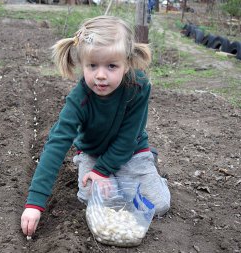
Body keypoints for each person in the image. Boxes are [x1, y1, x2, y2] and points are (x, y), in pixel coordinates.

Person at [21, 15, 170, 237]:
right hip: (94, 152)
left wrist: (102, 171)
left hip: (131, 150)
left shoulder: (138, 87)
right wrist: (35, 203)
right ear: (82, 64)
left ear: (126, 62)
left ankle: (150, 170)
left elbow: (128, 137)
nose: (100, 75)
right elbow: (56, 144)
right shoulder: (79, 99)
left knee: (158, 205)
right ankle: (119, 177)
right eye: (92, 66)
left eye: (111, 66)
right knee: (95, 201)